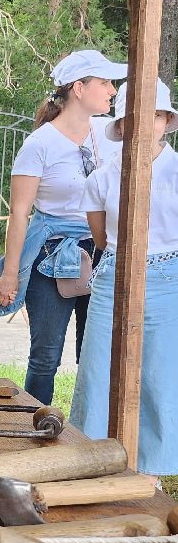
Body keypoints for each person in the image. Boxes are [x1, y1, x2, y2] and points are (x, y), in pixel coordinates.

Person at [0, 50, 126, 403]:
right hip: (52, 255)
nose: (113, 90)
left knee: (94, 354)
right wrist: (11, 272)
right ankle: (33, 433)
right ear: (79, 88)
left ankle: (91, 433)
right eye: (105, 82)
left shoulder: (107, 133)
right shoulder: (39, 144)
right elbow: (19, 213)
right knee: (46, 356)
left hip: (101, 252)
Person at [70, 79, 178, 474]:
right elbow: (101, 237)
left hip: (169, 278)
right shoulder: (103, 175)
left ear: (166, 121)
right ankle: (93, 458)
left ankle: (151, 470)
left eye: (153, 115)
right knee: (99, 368)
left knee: (161, 372)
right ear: (121, 125)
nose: (144, 124)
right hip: (113, 275)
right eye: (133, 116)